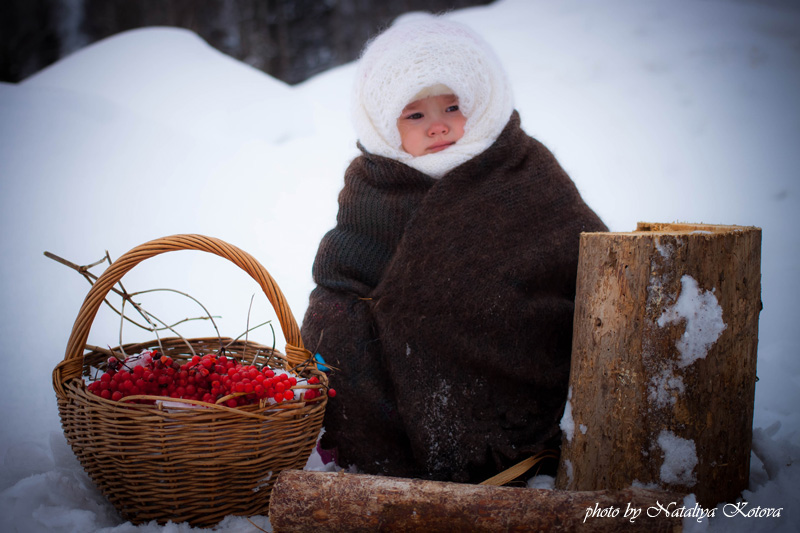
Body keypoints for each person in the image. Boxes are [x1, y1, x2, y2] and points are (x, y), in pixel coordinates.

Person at [301, 14, 608, 483]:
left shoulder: (523, 172)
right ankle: (385, 464)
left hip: (506, 373)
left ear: (483, 102)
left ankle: (496, 459)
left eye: (453, 107)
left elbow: (589, 262)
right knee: (331, 322)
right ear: (384, 121)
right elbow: (342, 273)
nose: (438, 126)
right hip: (398, 387)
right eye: (416, 114)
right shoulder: (373, 186)